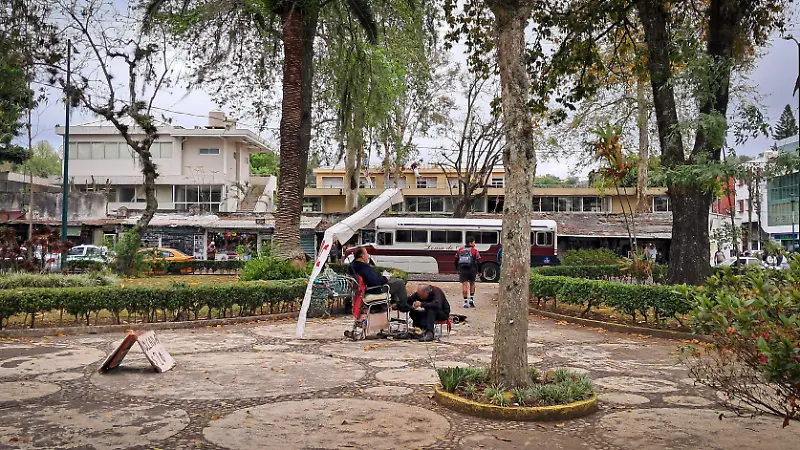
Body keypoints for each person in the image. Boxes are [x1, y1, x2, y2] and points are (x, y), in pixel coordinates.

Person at [455, 236, 481, 308]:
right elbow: (479, 261)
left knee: (464, 285)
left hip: (463, 270)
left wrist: (457, 269)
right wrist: (479, 271)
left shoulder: (460, 250)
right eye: (474, 242)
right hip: (472, 270)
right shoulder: (474, 251)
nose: (475, 243)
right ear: (470, 243)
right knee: (472, 283)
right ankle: (472, 299)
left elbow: (456, 260)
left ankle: (465, 302)